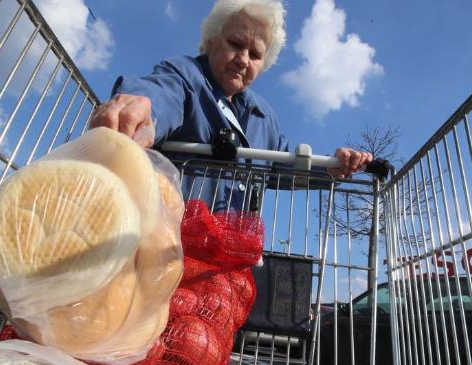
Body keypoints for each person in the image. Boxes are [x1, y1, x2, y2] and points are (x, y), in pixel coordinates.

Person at [90, 0, 373, 210]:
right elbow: (162, 92)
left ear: (264, 64)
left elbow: (282, 168)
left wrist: (329, 169)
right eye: (235, 44)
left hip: (229, 254)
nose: (243, 59)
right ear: (211, 41)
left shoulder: (265, 117)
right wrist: (142, 109)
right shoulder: (185, 75)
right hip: (168, 240)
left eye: (255, 54)